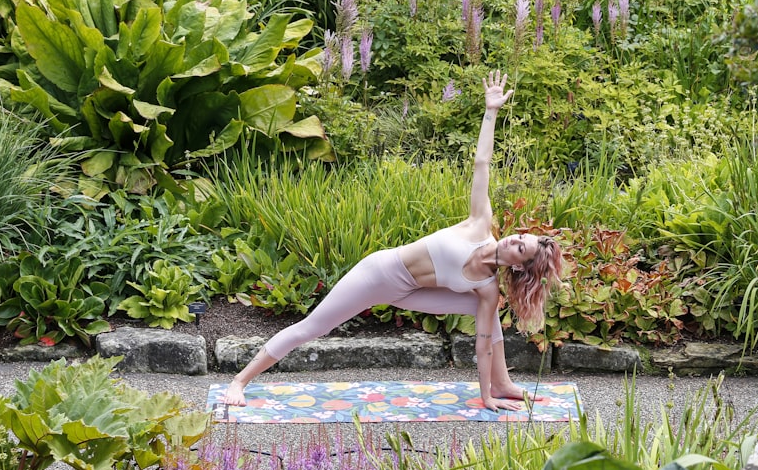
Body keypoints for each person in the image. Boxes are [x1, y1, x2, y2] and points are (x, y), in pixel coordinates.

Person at [221, 70, 563, 411]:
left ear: (520, 267)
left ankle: (500, 385)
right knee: (313, 327)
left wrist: (485, 396)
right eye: (518, 236)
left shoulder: (488, 288)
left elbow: (484, 344)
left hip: (409, 293)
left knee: (484, 313)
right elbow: (481, 164)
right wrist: (491, 112)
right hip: (380, 274)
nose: (512, 241)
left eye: (521, 248)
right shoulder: (479, 225)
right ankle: (240, 380)